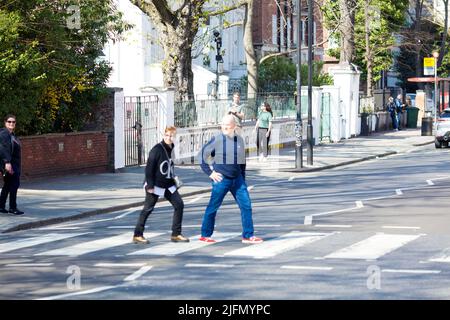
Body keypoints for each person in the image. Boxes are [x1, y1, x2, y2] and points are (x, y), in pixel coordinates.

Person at [198, 114, 263, 244]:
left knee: (246, 206)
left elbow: (242, 161)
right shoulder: (217, 140)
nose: (225, 128)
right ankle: (205, 235)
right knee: (213, 206)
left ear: (234, 126)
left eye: (228, 126)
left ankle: (248, 235)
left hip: (237, 180)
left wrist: (243, 179)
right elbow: (201, 156)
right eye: (223, 125)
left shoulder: (239, 140)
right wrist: (210, 173)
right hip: (221, 179)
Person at [133, 126, 189, 244]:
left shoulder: (172, 148)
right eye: (167, 135)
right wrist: (150, 186)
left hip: (168, 185)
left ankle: (176, 234)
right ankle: (137, 235)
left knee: (179, 205)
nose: (169, 138)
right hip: (155, 184)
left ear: (175, 137)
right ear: (164, 135)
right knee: (148, 209)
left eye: (171, 136)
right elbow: (149, 169)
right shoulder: (157, 149)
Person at [0, 115, 24, 215]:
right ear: (5, 122)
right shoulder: (4, 134)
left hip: (13, 163)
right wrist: (7, 162)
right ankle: (12, 207)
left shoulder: (12, 135)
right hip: (10, 164)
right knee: (14, 185)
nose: (11, 123)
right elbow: (3, 149)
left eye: (13, 122)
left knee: (8, 185)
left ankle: (1, 206)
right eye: (9, 121)